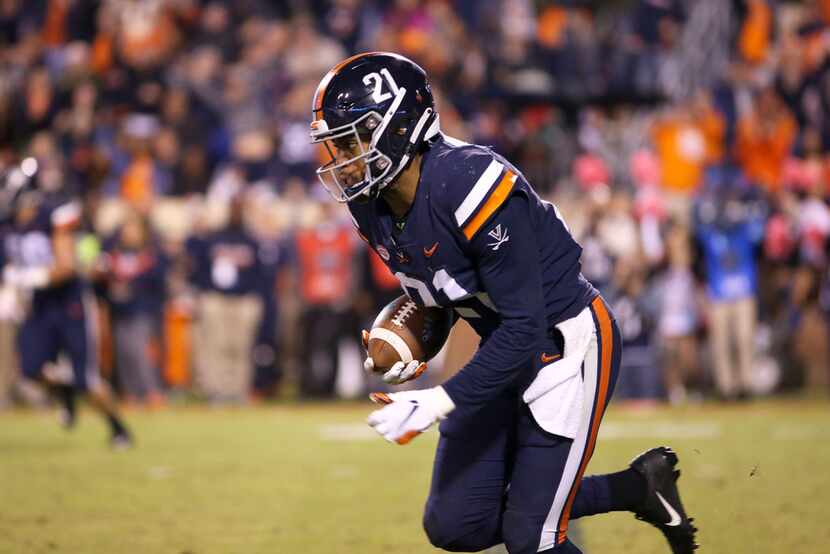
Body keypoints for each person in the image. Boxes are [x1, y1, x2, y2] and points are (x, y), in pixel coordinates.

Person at [309, 52, 698, 554]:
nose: (341, 158)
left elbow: (525, 323)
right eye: (335, 145)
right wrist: (410, 337)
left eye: (352, 140)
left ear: (400, 127)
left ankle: (608, 495)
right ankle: (638, 487)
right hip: (503, 347)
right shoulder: (372, 206)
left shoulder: (472, 182)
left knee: (530, 536)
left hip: (562, 343)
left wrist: (438, 399)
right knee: (456, 524)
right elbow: (447, 292)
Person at [0, 160, 132, 447]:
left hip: (70, 305)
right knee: (30, 368)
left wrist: (26, 277)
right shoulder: (8, 225)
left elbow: (67, 266)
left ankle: (118, 427)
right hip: (40, 305)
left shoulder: (53, 215)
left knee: (87, 379)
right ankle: (65, 392)